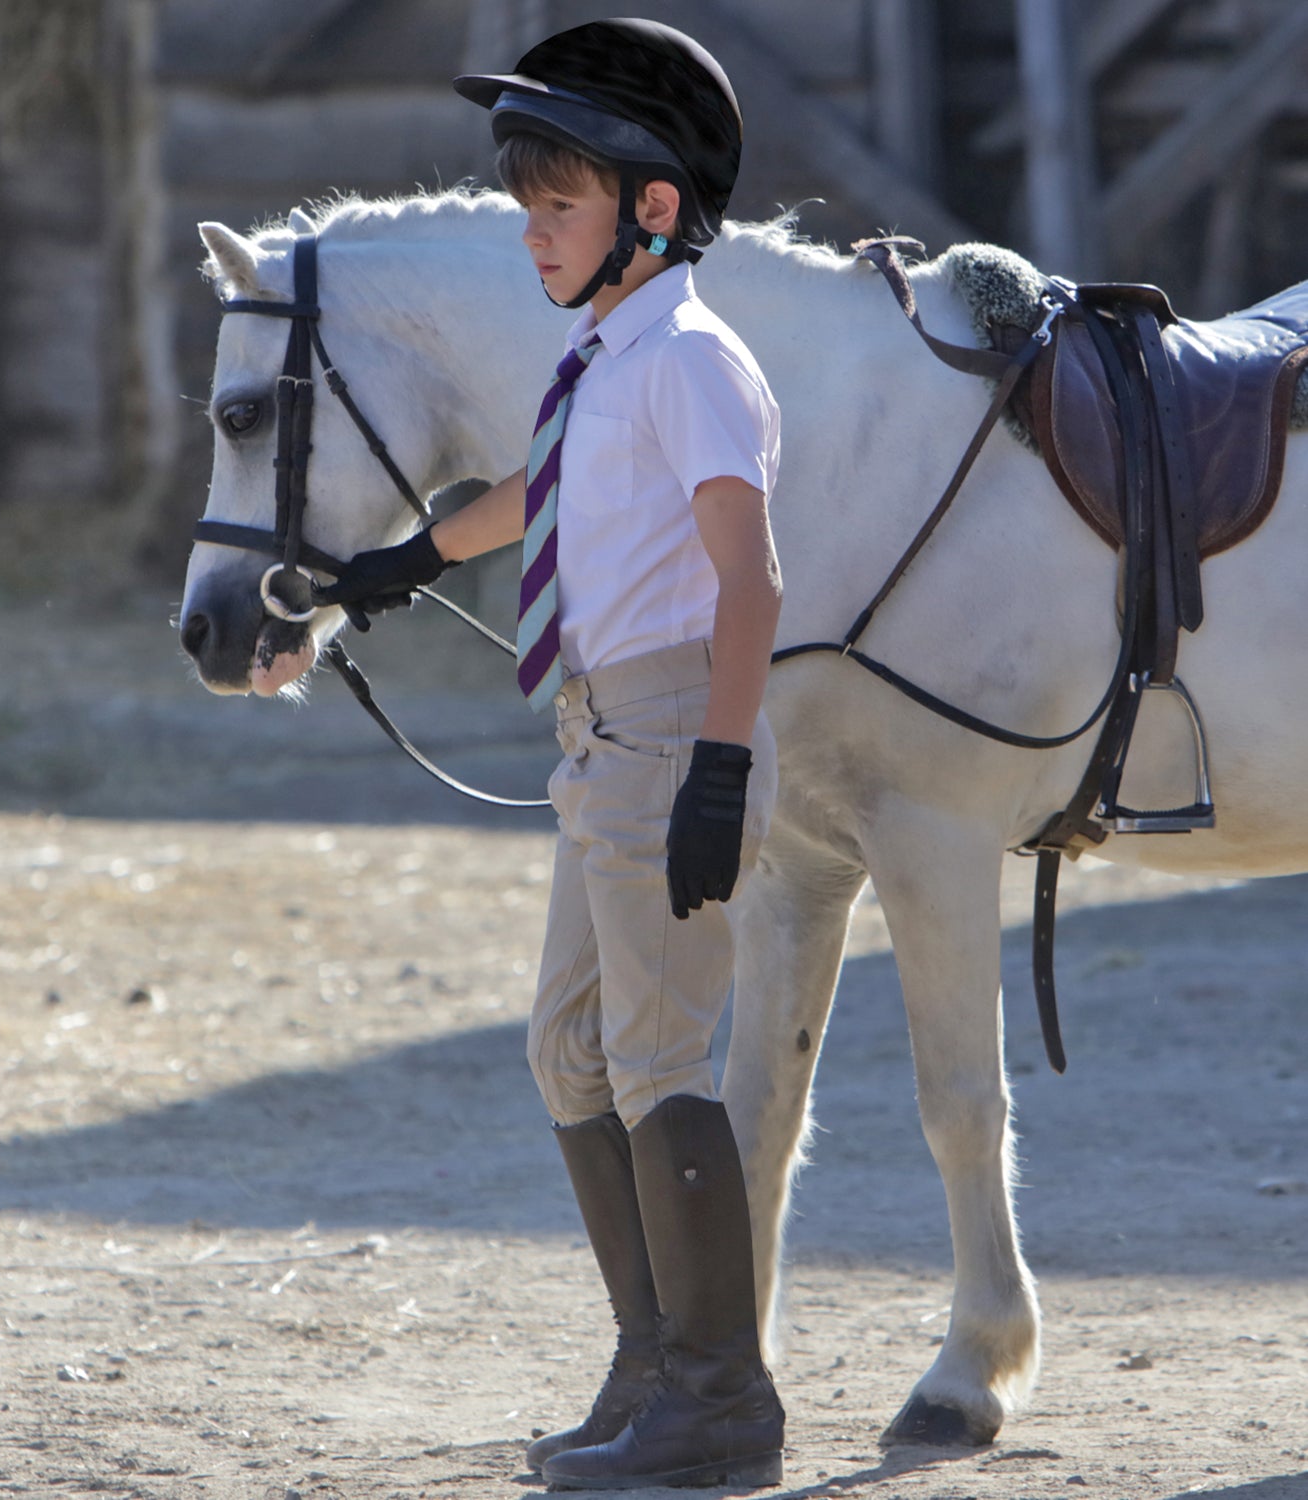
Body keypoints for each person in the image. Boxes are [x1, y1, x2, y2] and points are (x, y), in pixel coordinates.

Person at [314, 18, 785, 1491]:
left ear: (654, 208)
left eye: (557, 206)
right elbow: (543, 488)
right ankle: (654, 1366)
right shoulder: (606, 356)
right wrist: (406, 560)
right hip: (600, 727)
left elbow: (754, 583)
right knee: (569, 1052)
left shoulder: (692, 363)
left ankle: (722, 1403)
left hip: (671, 728)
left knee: (656, 1057)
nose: (532, 234)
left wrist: (720, 768)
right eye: (527, 207)